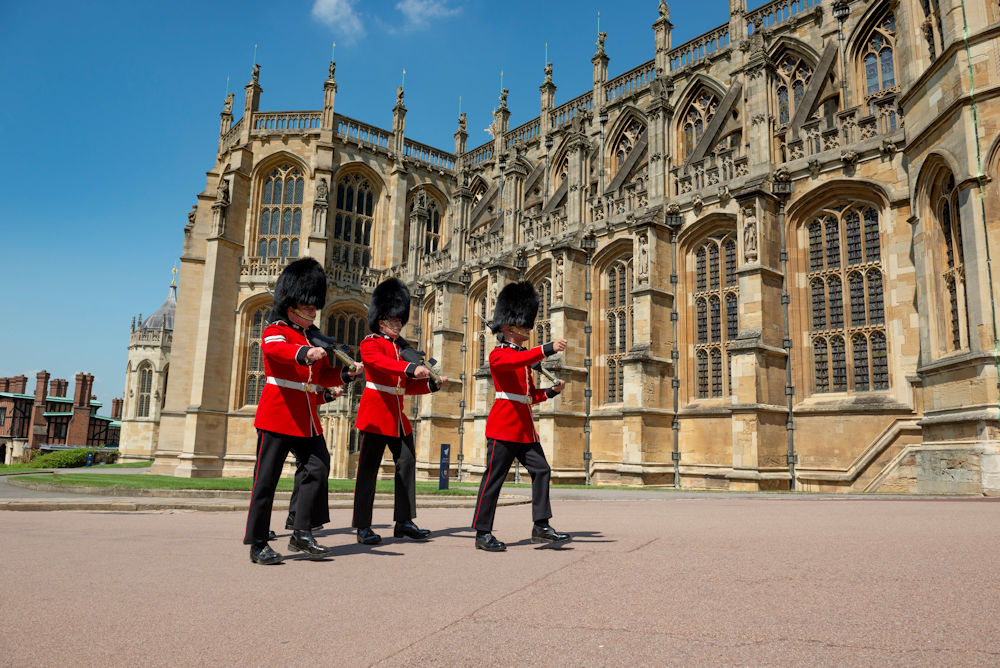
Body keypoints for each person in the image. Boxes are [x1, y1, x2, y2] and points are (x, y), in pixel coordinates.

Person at [243, 257, 363, 565]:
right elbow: (274, 350)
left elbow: (321, 377)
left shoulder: (314, 337)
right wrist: (304, 352)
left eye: (314, 306)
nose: (313, 310)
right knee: (265, 480)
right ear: (292, 304)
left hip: (308, 418)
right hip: (278, 412)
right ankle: (258, 542)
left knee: (319, 467)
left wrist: (345, 375)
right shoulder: (276, 329)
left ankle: (301, 532)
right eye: (308, 306)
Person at [472, 281, 571, 552]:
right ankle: (482, 533)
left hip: (525, 429)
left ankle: (541, 526)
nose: (527, 330)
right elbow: (518, 362)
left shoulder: (522, 359)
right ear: (508, 327)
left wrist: (550, 391)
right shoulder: (498, 356)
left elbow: (527, 396)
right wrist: (547, 348)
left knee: (542, 471)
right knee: (494, 479)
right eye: (523, 326)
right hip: (504, 428)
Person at [352, 278, 446, 545]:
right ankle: (362, 526)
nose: (399, 324)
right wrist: (409, 368)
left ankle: (404, 521)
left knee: (406, 465)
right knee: (368, 472)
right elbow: (377, 363)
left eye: (399, 320)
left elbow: (403, 388)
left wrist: (431, 383)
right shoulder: (371, 342)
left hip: (397, 418)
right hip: (375, 416)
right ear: (381, 320)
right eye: (394, 320)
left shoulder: (401, 349)